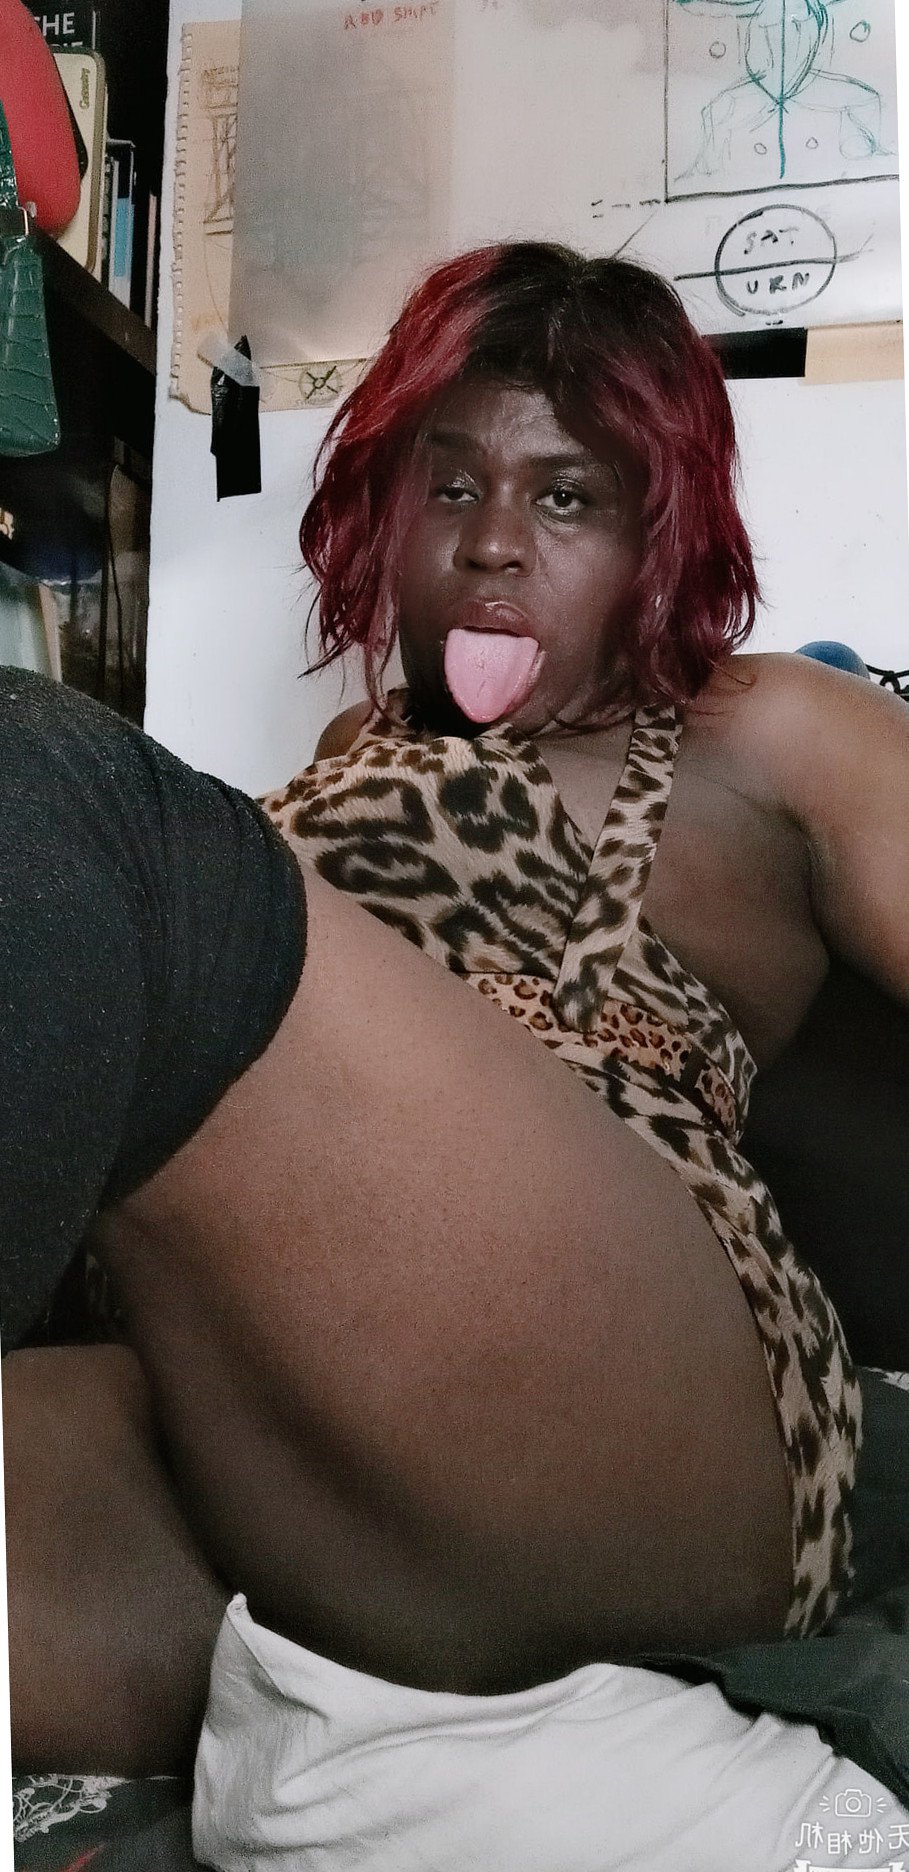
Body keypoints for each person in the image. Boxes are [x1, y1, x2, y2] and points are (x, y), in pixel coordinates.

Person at [3, 243, 908, 1859]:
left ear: (658, 530)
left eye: (568, 498)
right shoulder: (349, 750)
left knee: (55, 790)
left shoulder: (764, 729)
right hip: (276, 1435)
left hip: (642, 1391)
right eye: (452, 484)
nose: (494, 542)